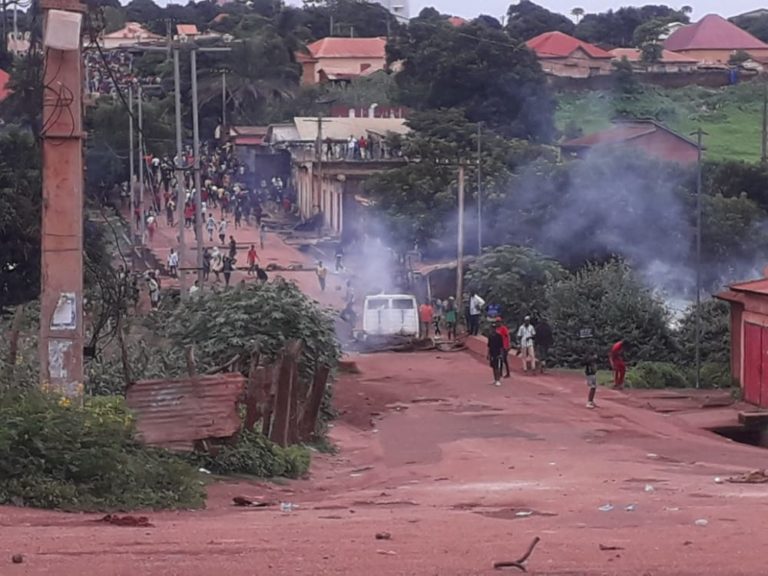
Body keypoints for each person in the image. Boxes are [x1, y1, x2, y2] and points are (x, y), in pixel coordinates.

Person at [487, 319, 505, 387]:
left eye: (494, 328)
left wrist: (501, 354)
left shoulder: (499, 336)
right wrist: (488, 354)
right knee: (493, 367)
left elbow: (501, 346)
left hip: (498, 354)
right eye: (492, 328)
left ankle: (498, 380)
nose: (493, 329)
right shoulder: (490, 336)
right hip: (492, 354)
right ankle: (495, 379)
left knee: (497, 367)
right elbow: (489, 346)